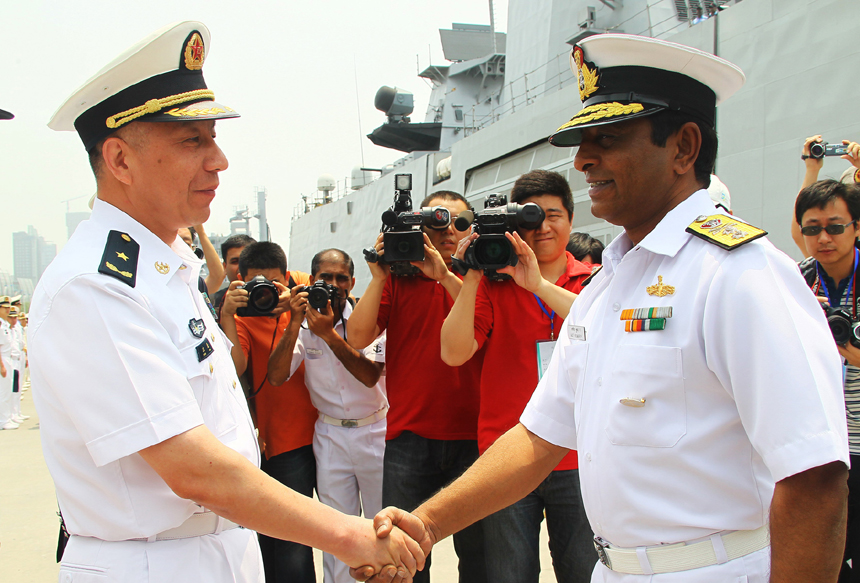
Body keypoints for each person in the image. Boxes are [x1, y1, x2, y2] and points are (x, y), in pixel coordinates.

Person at [358, 33, 850, 583]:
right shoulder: (609, 287)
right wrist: (426, 523)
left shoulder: (740, 275)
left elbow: (814, 478)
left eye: (607, 138)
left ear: (684, 148)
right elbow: (538, 438)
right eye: (582, 139)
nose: (583, 159)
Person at [31, 21, 423, 583]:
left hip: (213, 553)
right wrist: (352, 535)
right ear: (119, 160)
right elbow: (196, 472)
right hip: (150, 565)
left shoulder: (164, 272)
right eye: (193, 141)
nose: (219, 161)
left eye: (213, 139)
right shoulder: (96, 287)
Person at [440, 169, 595, 583]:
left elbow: (601, 326)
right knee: (509, 575)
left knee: (583, 572)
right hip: (505, 454)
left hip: (579, 455)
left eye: (553, 215)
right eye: (531, 219)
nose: (542, 227)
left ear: (571, 219)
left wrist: (538, 285)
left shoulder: (594, 281)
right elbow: (453, 353)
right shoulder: (495, 286)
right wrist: (472, 273)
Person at [347, 190, 488, 583]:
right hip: (409, 434)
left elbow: (482, 323)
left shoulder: (484, 275)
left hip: (474, 435)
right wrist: (378, 276)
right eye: (436, 223)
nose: (448, 232)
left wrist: (444, 275)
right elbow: (356, 336)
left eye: (459, 224)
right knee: (402, 557)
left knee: (478, 556)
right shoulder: (397, 280)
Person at [268, 248, 387, 583]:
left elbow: (369, 375)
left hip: (375, 430)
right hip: (331, 437)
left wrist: (328, 335)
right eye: (325, 277)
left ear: (351, 282)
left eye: (340, 278)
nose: (332, 285)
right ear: (312, 279)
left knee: (382, 526)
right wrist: (295, 322)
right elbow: (276, 376)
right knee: (338, 532)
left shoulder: (371, 316)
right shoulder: (303, 324)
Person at [219, 240, 319, 583]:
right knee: (287, 542)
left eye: (274, 283)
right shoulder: (243, 319)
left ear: (287, 277)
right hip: (283, 440)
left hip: (328, 432)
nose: (267, 292)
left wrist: (298, 304)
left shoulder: (304, 296)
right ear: (241, 279)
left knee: (331, 532)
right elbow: (234, 367)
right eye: (255, 283)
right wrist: (227, 315)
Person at [794, 179, 860, 581]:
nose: (823, 237)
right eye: (812, 228)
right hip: (819, 445)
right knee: (824, 561)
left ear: (856, 227)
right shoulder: (796, 281)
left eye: (835, 227)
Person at [792, 136, 860, 255]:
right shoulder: (826, 254)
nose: (824, 239)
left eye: (835, 228)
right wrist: (812, 168)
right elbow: (800, 230)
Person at [213, 234, 256, 319]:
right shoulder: (212, 303)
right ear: (225, 267)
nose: (241, 267)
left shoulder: (275, 297)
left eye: (247, 260)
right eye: (235, 261)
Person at [178, 224, 225, 297]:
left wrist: (201, 232)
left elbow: (217, 276)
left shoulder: (196, 284)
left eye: (186, 244)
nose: (180, 248)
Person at [0, 296, 15, 430]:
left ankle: (8, 417)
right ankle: (3, 421)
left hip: (8, 358)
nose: (7, 311)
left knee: (8, 391)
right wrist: (2, 366)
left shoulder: (5, 324)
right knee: (3, 392)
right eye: (5, 308)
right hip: (3, 359)